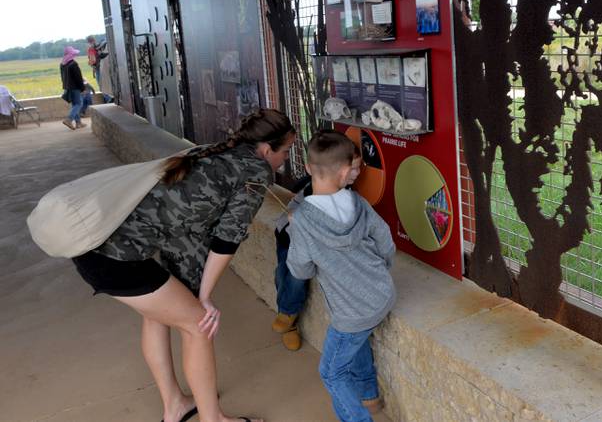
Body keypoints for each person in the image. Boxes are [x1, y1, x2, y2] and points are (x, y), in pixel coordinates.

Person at [72, 108, 295, 422]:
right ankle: (212, 419)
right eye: (286, 151)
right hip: (116, 261)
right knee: (198, 325)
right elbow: (226, 240)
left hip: (97, 250)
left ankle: (175, 405)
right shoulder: (256, 172)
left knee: (158, 316)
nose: (285, 159)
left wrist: (196, 292)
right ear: (267, 149)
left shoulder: (209, 153)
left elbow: (185, 223)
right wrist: (204, 299)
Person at [287, 131, 394, 422]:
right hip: (381, 294)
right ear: (347, 171)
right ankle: (369, 396)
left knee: (331, 372)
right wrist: (379, 272)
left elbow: (300, 269)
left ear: (308, 169)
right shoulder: (358, 203)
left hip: (351, 310)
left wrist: (296, 230)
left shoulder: (302, 220)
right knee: (354, 343)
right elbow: (385, 241)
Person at [272, 143, 362, 351]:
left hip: (308, 242)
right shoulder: (320, 190)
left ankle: (286, 315)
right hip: (288, 236)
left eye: (359, 167)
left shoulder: (345, 193)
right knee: (286, 273)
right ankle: (288, 318)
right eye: (353, 168)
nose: (357, 173)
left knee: (294, 274)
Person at [60, 46, 85, 130]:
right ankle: (69, 119)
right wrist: (82, 88)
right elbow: (78, 78)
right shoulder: (73, 64)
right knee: (79, 104)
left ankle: (78, 123)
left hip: (68, 87)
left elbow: (62, 77)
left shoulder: (62, 64)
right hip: (75, 87)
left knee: (75, 104)